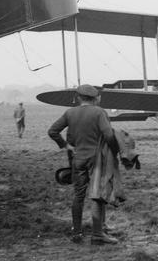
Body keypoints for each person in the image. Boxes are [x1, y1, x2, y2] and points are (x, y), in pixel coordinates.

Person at [47, 84, 117, 245]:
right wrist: (113, 151)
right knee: (97, 194)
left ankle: (77, 232)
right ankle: (98, 234)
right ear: (96, 98)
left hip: (77, 159)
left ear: (78, 98)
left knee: (78, 196)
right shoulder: (99, 112)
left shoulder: (70, 112)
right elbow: (108, 134)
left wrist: (66, 146)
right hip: (96, 160)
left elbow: (52, 131)